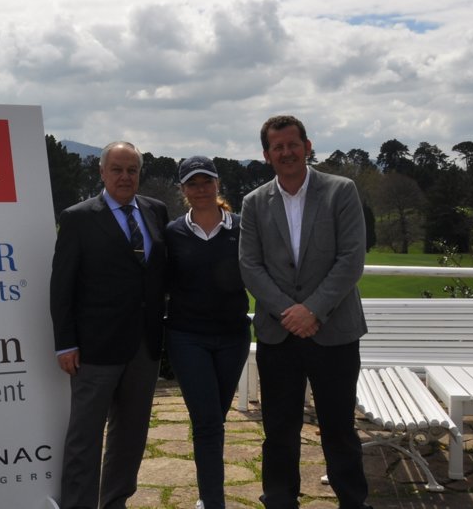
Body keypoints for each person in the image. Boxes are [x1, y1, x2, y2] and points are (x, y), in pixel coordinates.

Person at [238, 115, 370, 509]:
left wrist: (312, 310)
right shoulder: (254, 202)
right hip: (279, 334)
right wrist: (289, 312)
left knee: (339, 427)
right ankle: (280, 499)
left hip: (334, 330)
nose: (286, 152)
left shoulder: (341, 191)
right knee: (279, 428)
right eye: (277, 147)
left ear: (307, 147)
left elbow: (351, 258)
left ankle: (353, 501)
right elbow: (250, 266)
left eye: (292, 144)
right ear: (266, 155)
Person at [49, 141, 169, 509]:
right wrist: (65, 343)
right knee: (85, 437)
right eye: (117, 169)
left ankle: (116, 501)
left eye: (132, 170)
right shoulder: (78, 218)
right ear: (102, 172)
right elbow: (62, 287)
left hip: (144, 346)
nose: (125, 176)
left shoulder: (156, 211)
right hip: (94, 348)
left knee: (131, 435)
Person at [164, 156, 251, 509]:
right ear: (183, 190)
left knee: (216, 418)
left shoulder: (242, 228)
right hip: (187, 337)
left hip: (232, 337)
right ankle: (213, 501)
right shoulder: (173, 233)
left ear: (217, 184)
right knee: (207, 422)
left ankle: (209, 497)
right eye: (192, 184)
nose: (200, 189)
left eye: (206, 182)